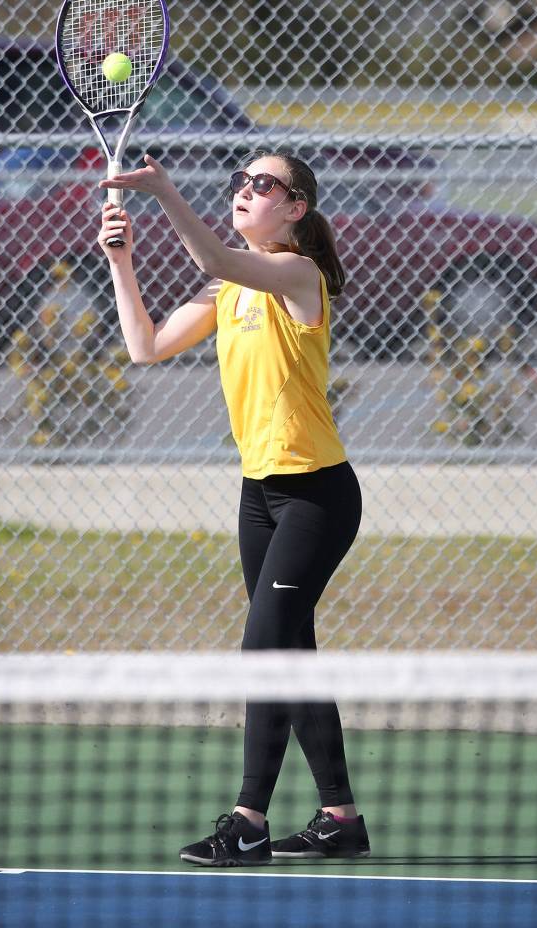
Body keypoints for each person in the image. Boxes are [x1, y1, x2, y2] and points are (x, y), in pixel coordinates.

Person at [98, 148, 370, 867]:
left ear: (294, 209)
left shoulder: (295, 275)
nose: (245, 190)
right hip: (259, 496)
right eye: (241, 181)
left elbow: (218, 258)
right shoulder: (227, 293)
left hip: (316, 493)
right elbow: (145, 346)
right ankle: (339, 817)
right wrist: (122, 263)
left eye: (263, 184)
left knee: (262, 651)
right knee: (289, 653)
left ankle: (248, 819)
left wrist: (161, 191)